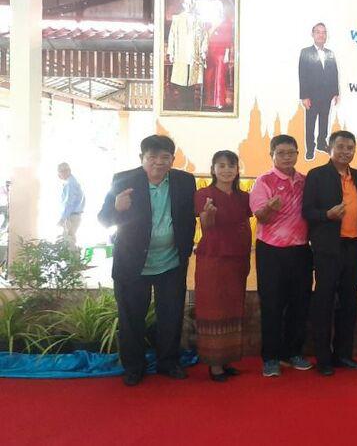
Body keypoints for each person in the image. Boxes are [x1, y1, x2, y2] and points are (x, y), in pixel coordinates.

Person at [98, 135, 197, 387]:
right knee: (131, 318)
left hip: (171, 263)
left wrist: (187, 247)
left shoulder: (185, 181)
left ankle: (168, 362)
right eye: (152, 157)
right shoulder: (123, 181)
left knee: (171, 316)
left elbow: (188, 216)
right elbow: (104, 219)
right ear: (141, 158)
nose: (158, 162)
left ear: (173, 159)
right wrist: (117, 208)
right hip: (132, 264)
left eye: (165, 157)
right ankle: (134, 367)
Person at [303, 131, 357, 377]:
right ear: (330, 148)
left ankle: (343, 355)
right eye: (341, 147)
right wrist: (327, 215)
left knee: (349, 303)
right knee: (324, 303)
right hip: (327, 248)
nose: (346, 151)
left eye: (350, 148)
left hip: (353, 247)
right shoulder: (317, 175)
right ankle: (323, 358)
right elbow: (307, 211)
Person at [249, 135, 314, 377]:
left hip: (300, 250)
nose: (287, 157)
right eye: (281, 153)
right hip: (271, 251)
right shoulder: (263, 181)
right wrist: (269, 208)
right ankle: (271, 357)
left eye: (291, 152)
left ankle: (293, 352)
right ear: (272, 155)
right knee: (272, 305)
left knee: (300, 303)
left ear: (297, 154)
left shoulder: (305, 181)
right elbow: (261, 217)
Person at [194, 150, 251, 382]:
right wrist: (208, 215)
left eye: (231, 165)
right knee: (213, 309)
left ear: (237, 170)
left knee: (233, 308)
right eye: (222, 165)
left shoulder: (244, 197)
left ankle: (227, 360)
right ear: (213, 169)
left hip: (238, 259)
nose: (227, 170)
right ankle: (215, 365)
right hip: (213, 260)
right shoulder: (203, 194)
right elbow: (206, 226)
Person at [298, 23, 340, 160]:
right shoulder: (305, 52)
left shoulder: (330, 53)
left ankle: (321, 143)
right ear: (313, 34)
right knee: (310, 123)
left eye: (323, 32)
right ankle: (310, 149)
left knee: (324, 120)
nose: (321, 35)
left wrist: (336, 92)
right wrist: (304, 96)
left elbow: (334, 73)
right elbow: (302, 75)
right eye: (318, 32)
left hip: (326, 95)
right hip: (311, 96)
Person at [166, 0, 208, 109]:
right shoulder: (177, 19)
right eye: (186, 3)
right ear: (183, 5)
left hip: (194, 53)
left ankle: (190, 105)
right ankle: (182, 104)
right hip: (181, 52)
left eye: (190, 3)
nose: (188, 6)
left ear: (193, 5)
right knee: (182, 78)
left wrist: (203, 50)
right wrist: (171, 52)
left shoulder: (199, 20)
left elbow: (205, 36)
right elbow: (172, 36)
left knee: (192, 79)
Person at [57, 162, 85, 249]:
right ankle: (74, 257)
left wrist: (63, 218)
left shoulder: (70, 183)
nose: (59, 175)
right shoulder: (72, 182)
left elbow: (69, 203)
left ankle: (74, 258)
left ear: (68, 171)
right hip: (74, 215)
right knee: (70, 239)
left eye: (61, 172)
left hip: (71, 216)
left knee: (68, 241)